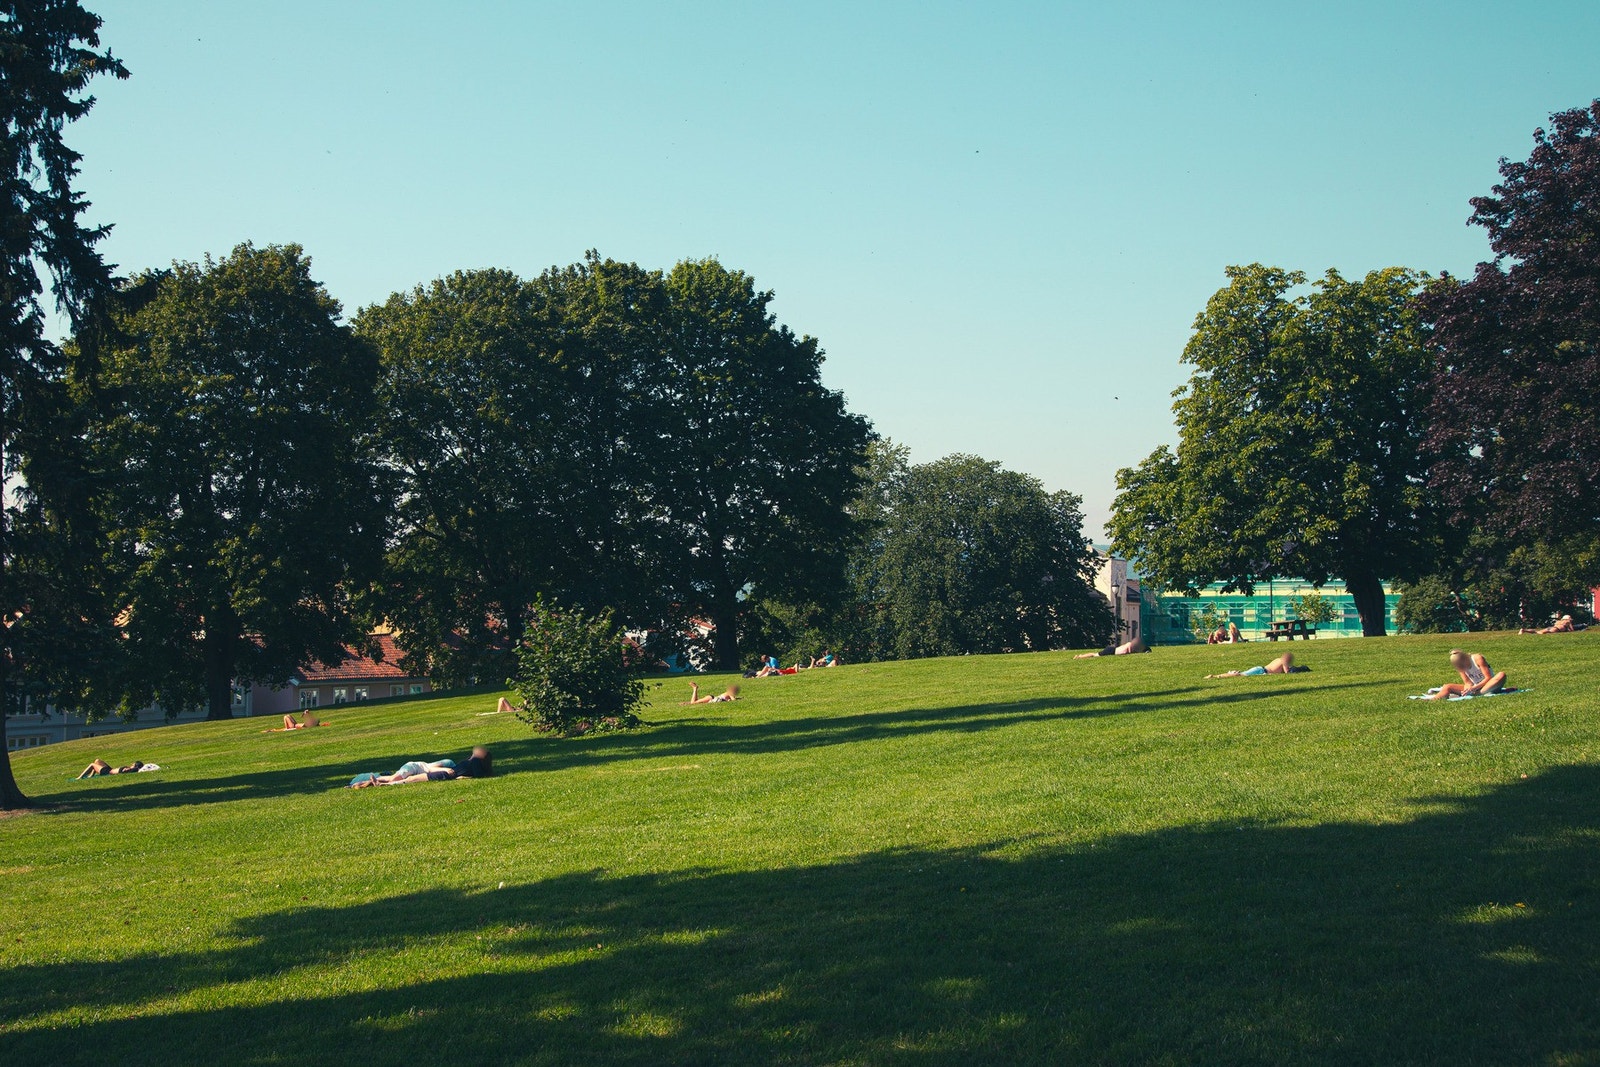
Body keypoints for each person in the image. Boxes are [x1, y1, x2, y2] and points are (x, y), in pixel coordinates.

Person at [350, 747, 493, 787]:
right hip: (426, 769)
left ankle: (375, 784)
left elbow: (477, 775)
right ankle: (368, 783)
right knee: (401, 779)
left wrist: (460, 777)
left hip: (442, 774)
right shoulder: (462, 762)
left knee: (405, 780)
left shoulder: (474, 762)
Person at [1424, 649, 1507, 701]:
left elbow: (1488, 678)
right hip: (1475, 689)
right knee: (1447, 686)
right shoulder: (1460, 667)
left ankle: (1479, 694)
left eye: (1462, 665)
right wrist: (1467, 690)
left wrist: (1474, 688)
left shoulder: (1477, 658)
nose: (1462, 668)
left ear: (1465, 658)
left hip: (1489, 685)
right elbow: (1467, 683)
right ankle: (1434, 700)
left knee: (1501, 675)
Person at [1207, 651, 1301, 678]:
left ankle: (1225, 674)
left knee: (1241, 674)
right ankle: (1216, 676)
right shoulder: (1283, 661)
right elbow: (1287, 672)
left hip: (1260, 669)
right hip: (1262, 671)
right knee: (1239, 675)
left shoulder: (1279, 659)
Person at [1075, 636, 1150, 659]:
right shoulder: (1131, 645)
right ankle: (1080, 656)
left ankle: (1080, 656)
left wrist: (1146, 651)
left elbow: (1145, 649)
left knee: (1095, 655)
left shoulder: (1134, 647)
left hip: (1113, 651)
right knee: (1095, 655)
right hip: (1111, 651)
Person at [76, 758, 145, 778]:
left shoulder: (131, 769)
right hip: (109, 769)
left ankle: (79, 777)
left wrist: (127, 769)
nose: (131, 765)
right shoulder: (130, 768)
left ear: (136, 765)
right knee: (97, 760)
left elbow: (125, 771)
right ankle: (91, 775)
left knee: (92, 764)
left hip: (107, 772)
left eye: (133, 764)